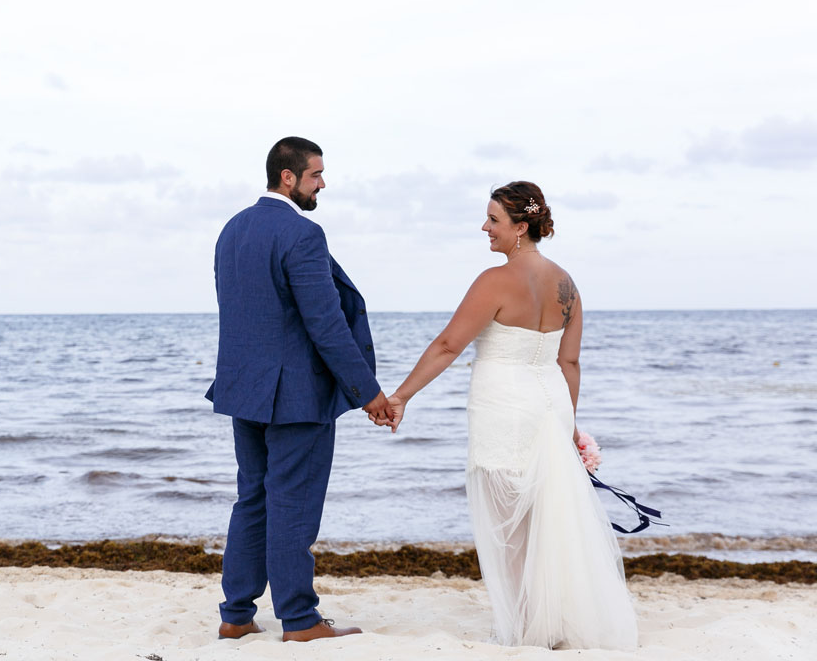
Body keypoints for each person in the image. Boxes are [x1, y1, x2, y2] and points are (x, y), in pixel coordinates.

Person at [385, 181, 638, 650]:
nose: (485, 227)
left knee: (509, 529)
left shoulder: (493, 281)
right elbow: (569, 363)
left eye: (494, 220)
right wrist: (570, 425)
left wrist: (402, 396)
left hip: (505, 407)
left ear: (521, 227)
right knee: (549, 521)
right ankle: (552, 624)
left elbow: (447, 345)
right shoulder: (568, 285)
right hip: (551, 404)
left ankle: (526, 630)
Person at [206, 137, 391, 643]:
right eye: (316, 175)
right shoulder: (303, 234)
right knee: (292, 503)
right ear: (288, 177)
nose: (322, 184)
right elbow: (326, 325)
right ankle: (301, 620)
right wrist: (368, 393)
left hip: (244, 388)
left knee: (253, 499)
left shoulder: (231, 231)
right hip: (296, 396)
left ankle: (237, 614)